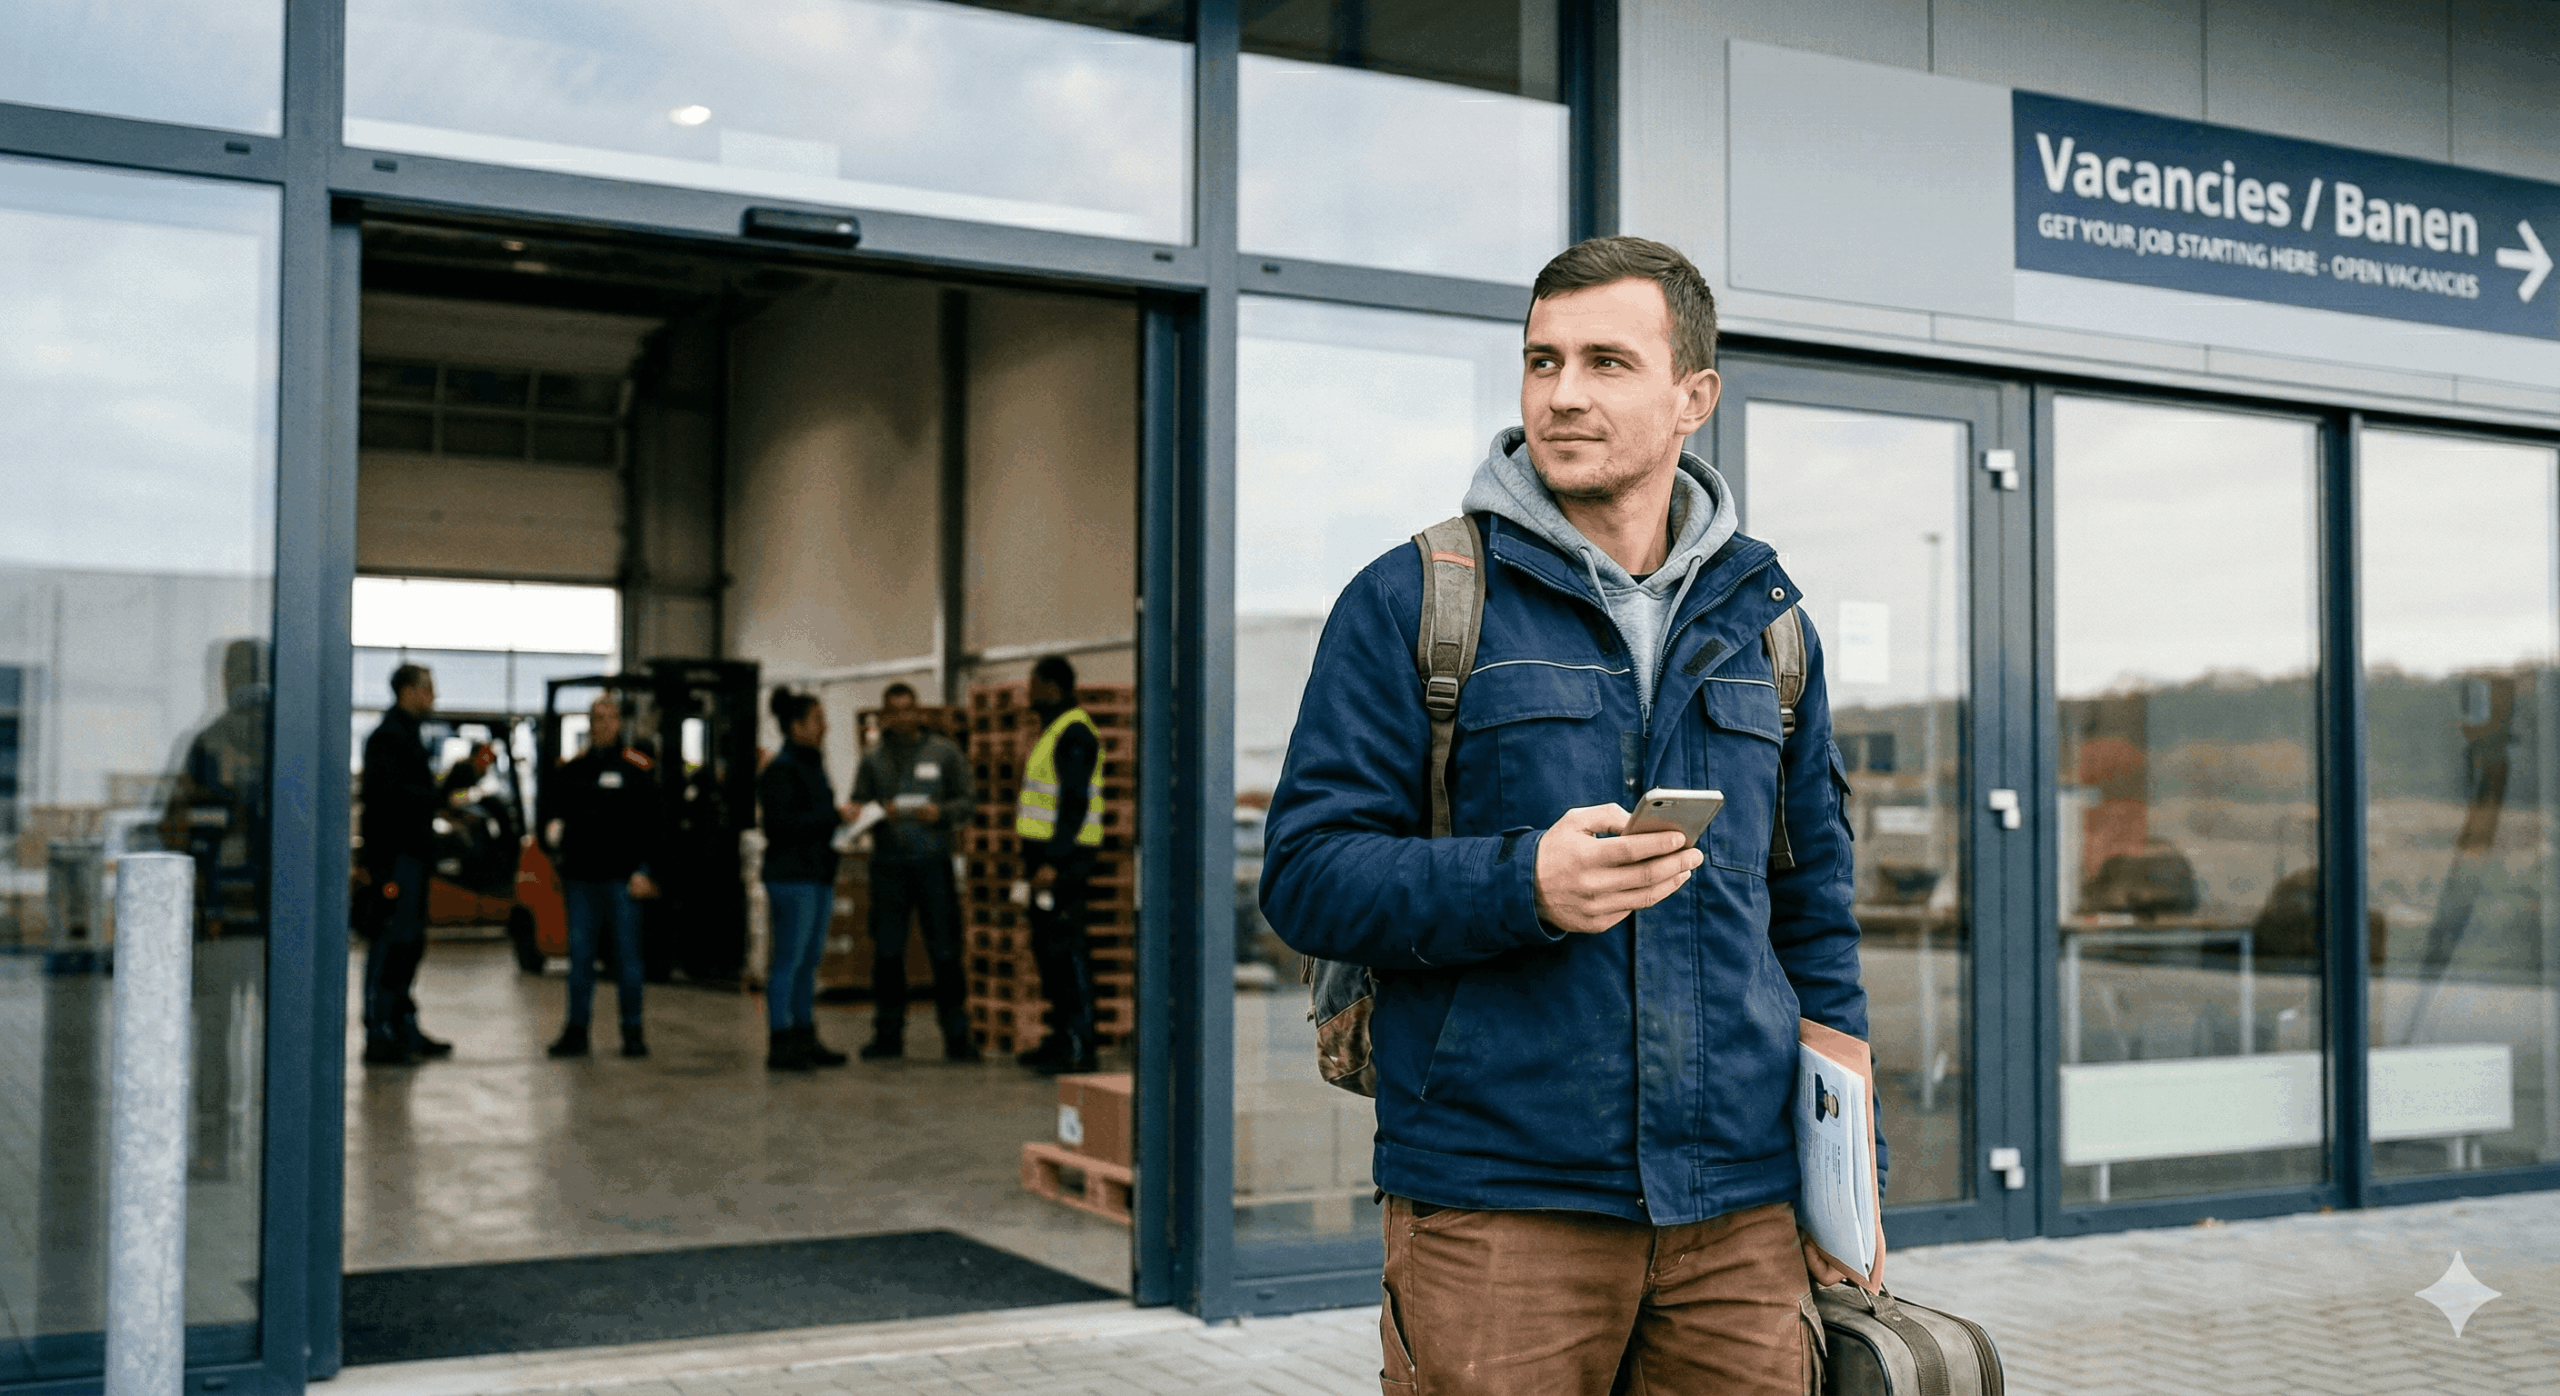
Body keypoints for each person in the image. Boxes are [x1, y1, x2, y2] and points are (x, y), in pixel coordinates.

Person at [1259, 236, 1882, 1394]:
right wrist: (1521, 884)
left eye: (1605, 361)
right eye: (1542, 361)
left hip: (1739, 1215)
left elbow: (1812, 916)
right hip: (1499, 1208)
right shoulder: (1419, 597)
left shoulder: (1769, 623)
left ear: (1693, 396)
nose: (1562, 394)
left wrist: (1845, 1180)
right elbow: (1304, 873)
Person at [849, 682, 979, 1061]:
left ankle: (957, 1037)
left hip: (933, 865)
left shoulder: (944, 753)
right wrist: (873, 812)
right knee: (888, 954)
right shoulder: (873, 759)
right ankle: (888, 1037)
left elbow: (967, 801)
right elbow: (858, 804)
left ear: (919, 711)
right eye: (895, 710)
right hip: (888, 868)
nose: (903, 717)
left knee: (945, 952)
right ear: (885, 715)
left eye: (910, 709)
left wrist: (942, 813)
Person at [545, 695, 663, 1060]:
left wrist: (647, 871)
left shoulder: (637, 769)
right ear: (590, 723)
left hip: (622, 880)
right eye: (598, 717)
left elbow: (655, 828)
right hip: (581, 880)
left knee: (628, 960)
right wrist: (554, 846)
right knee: (580, 959)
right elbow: (550, 818)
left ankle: (632, 1032)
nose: (605, 724)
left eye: (611, 717)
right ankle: (576, 1032)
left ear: (619, 724)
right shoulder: (571, 771)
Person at [1014, 655, 1104, 1075]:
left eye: (1033, 683)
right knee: (1049, 952)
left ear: (1052, 686)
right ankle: (1059, 1037)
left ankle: (1080, 1044)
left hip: (1065, 863)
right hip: (1047, 862)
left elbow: (1073, 801)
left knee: (1066, 952)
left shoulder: (1073, 732)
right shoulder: (1054, 729)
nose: (1028, 691)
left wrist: (1054, 860)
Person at [358, 663, 452, 1067]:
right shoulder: (387, 739)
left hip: (413, 855)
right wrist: (444, 791)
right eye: (428, 688)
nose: (434, 696)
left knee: (410, 945)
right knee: (391, 943)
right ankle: (378, 1033)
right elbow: (395, 799)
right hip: (394, 859)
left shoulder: (408, 736)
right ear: (407, 691)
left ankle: (404, 1026)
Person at [757, 687, 853, 1071]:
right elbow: (781, 826)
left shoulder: (812, 764)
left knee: (809, 961)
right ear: (796, 727)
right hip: (792, 876)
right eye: (817, 720)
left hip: (817, 874)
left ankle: (804, 1034)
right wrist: (835, 817)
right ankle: (780, 1042)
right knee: (788, 961)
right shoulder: (780, 770)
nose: (824, 726)